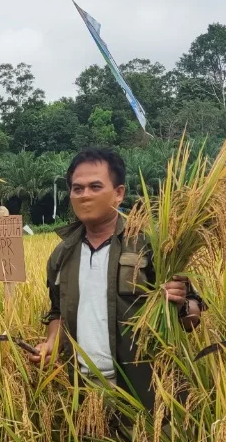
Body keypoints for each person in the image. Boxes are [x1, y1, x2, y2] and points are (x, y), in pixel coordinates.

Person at [25, 148, 205, 411]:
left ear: (119, 193)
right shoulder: (61, 255)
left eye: (95, 186)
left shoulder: (152, 243)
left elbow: (193, 315)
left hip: (146, 393)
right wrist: (52, 343)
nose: (84, 195)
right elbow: (56, 312)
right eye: (77, 188)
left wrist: (178, 303)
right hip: (83, 393)